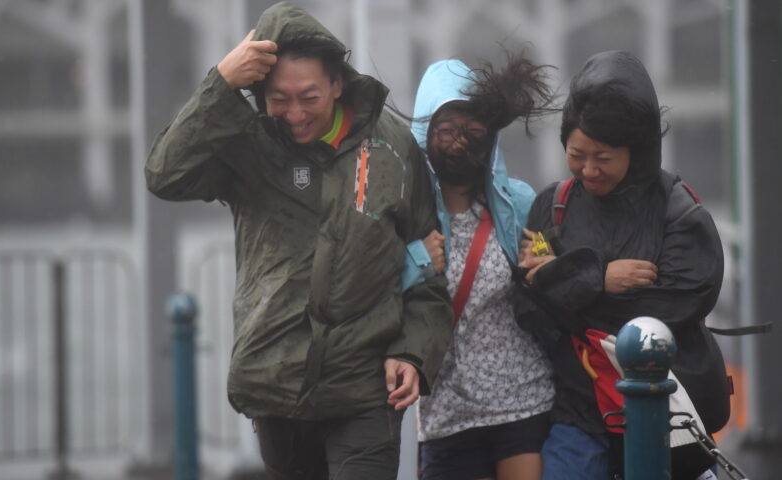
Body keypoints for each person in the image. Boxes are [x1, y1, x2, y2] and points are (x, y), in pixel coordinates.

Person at [145, 2, 453, 479]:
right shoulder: (247, 144)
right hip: (277, 385)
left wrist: (413, 352)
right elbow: (164, 174)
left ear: (337, 83)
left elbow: (429, 269)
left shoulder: (391, 146)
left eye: (308, 97)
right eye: (278, 99)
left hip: (366, 388)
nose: (293, 114)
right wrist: (219, 84)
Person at [513, 50, 731, 480]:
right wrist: (599, 277)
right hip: (578, 415)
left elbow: (671, 310)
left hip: (667, 418)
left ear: (638, 149)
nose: (588, 169)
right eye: (576, 154)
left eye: (604, 157)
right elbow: (526, 303)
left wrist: (563, 278)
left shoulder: (681, 214)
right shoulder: (548, 208)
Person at [402, 55, 557, 480]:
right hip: (445, 414)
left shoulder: (519, 203)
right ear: (424, 135)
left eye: (473, 132)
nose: (459, 143)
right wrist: (414, 260)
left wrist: (545, 262)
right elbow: (368, 289)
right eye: (446, 130)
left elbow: (547, 260)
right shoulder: (405, 220)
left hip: (522, 401)